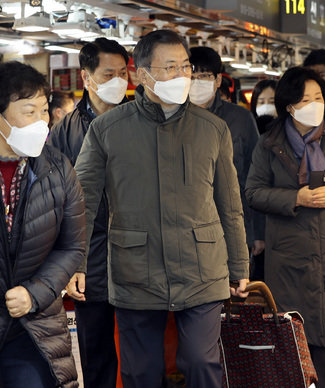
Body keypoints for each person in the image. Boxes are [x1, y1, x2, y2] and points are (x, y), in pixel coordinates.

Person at [73, 30, 250, 388]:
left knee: (201, 361)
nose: (181, 76)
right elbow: (83, 202)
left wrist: (239, 263)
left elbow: (229, 203)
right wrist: (75, 264)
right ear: (141, 75)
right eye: (170, 68)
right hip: (136, 268)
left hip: (202, 267)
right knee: (141, 371)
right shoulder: (107, 130)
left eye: (185, 66)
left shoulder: (213, 129)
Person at [245, 67, 325, 388]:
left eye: (318, 97)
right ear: (289, 106)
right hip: (288, 255)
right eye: (305, 99)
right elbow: (253, 192)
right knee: (292, 336)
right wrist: (295, 197)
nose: (315, 104)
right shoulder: (269, 143)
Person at [48, 37, 129, 388]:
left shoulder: (142, 122)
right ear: (86, 77)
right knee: (95, 351)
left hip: (139, 251)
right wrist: (67, 263)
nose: (118, 81)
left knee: (143, 351)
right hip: (90, 254)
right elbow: (54, 200)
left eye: (124, 73)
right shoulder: (63, 133)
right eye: (109, 73)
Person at [0, 61, 86, 388]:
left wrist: (33, 294)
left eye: (44, 110)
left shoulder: (58, 168)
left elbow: (71, 245)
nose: (41, 122)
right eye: (28, 111)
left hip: (35, 325)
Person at [189, 46, 264, 278]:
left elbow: (256, 175)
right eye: (191, 77)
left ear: (218, 79)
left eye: (204, 76)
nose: (196, 82)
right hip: (189, 227)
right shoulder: (172, 118)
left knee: (235, 294)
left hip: (233, 226)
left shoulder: (240, 119)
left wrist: (256, 232)